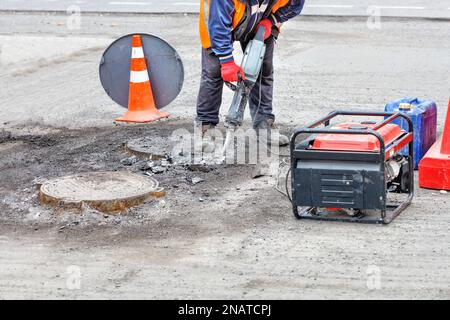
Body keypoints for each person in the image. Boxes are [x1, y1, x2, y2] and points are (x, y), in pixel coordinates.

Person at [197, 0, 305, 148]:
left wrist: (272, 21)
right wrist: (226, 61)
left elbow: (295, 5)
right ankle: (206, 128)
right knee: (213, 73)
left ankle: (263, 125)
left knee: (262, 70)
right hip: (217, 23)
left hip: (261, 20)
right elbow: (218, 25)